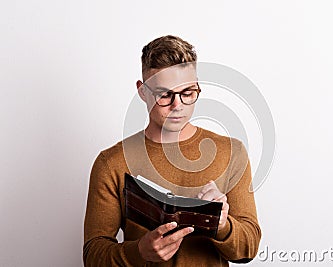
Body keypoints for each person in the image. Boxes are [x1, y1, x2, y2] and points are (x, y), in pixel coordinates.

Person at [83, 35, 261, 266]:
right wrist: (139, 252)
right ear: (142, 91)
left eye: (187, 92)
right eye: (165, 94)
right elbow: (93, 256)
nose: (178, 105)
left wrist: (223, 225)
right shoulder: (111, 163)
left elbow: (249, 248)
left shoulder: (231, 152)